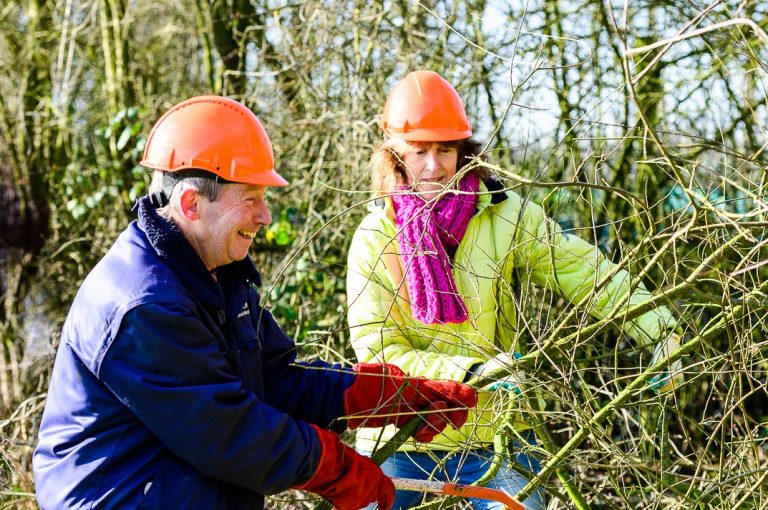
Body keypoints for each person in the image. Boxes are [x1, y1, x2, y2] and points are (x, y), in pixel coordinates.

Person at [32, 95, 478, 510]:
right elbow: (227, 431)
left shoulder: (216, 275)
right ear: (191, 203)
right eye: (251, 199)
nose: (265, 216)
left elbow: (276, 381)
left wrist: (386, 394)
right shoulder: (144, 306)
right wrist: (333, 466)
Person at [346, 70, 684, 509]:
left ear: (463, 151)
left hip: (496, 432)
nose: (434, 165)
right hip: (403, 438)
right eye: (419, 150)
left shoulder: (506, 216)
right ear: (393, 154)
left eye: (445, 149)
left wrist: (661, 331)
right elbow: (379, 353)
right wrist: (472, 373)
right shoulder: (375, 236)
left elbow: (585, 271)